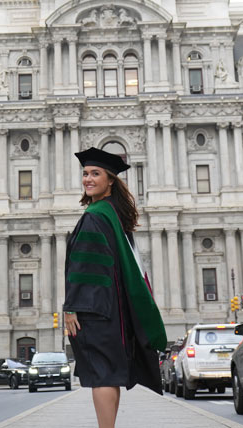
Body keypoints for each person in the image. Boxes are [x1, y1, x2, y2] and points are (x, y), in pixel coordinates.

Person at [64, 147, 167, 428]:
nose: (87, 178)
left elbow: (84, 266)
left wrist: (71, 306)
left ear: (110, 180)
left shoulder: (95, 215)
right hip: (114, 309)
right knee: (109, 374)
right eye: (85, 173)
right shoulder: (113, 214)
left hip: (95, 309)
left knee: (103, 375)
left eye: (95, 173)